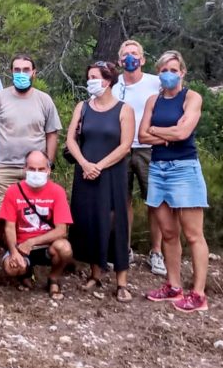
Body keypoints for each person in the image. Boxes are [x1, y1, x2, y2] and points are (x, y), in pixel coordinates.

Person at [0, 54, 63, 279]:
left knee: (27, 217)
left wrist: (48, 163)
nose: (22, 74)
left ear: (34, 73)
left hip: (34, 171)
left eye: (26, 70)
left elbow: (52, 132)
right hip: (4, 167)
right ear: (11, 72)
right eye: (17, 70)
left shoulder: (44, 100)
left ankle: (25, 262)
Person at [140, 51, 210, 313]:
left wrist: (157, 131)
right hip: (158, 169)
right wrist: (165, 135)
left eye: (172, 69)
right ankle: (173, 285)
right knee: (168, 233)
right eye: (163, 70)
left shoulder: (191, 97)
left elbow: (183, 132)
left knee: (193, 234)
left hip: (184, 169)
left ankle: (199, 294)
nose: (167, 74)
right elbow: (142, 135)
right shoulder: (153, 101)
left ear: (182, 72)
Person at [66, 62, 135, 302]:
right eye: (88, 77)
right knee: (91, 220)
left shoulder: (124, 110)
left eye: (94, 77)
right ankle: (95, 274)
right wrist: (85, 163)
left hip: (112, 173)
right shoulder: (83, 107)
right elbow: (71, 138)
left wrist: (100, 166)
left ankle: (122, 281)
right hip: (85, 171)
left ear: (107, 81)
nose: (90, 81)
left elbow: (125, 145)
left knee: (116, 222)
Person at [114, 39, 165, 275]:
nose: (130, 58)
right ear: (119, 60)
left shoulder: (156, 83)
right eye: (126, 54)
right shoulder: (114, 87)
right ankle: (124, 249)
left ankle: (157, 252)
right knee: (123, 202)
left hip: (149, 149)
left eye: (135, 53)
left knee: (154, 201)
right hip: (122, 149)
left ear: (143, 59)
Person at [0, 151, 74, 299]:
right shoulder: (13, 191)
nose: (36, 173)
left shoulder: (57, 192)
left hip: (47, 246)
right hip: (21, 246)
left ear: (48, 170)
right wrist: (14, 252)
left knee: (65, 249)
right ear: (24, 169)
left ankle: (53, 279)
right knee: (12, 268)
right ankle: (25, 273)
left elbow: (61, 230)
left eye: (41, 169)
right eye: (32, 169)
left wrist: (32, 242)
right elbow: (9, 227)